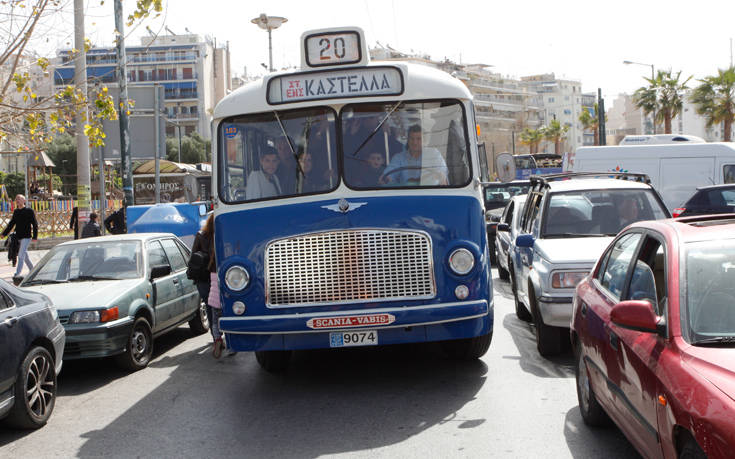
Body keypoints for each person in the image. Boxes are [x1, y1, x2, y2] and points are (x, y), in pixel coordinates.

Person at [381, 125, 448, 186]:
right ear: (408, 140)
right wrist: (386, 178)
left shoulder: (433, 154)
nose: (414, 142)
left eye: (418, 139)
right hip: (405, 194)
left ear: (424, 140)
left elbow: (441, 170)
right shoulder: (399, 158)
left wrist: (440, 175)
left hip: (430, 193)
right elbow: (389, 173)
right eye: (412, 139)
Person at [2, 194, 38, 282]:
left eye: (19, 199)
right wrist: (4, 233)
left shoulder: (29, 211)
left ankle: (17, 274)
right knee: (25, 256)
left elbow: (35, 224)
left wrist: (35, 236)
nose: (17, 201)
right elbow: (11, 223)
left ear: (24, 201)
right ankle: (34, 271)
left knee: (21, 255)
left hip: (27, 237)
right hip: (18, 237)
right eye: (16, 199)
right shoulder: (16, 212)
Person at [191, 213, 214, 340]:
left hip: (202, 277)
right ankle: (219, 335)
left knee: (210, 306)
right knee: (217, 306)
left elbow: (193, 257)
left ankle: (215, 336)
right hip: (213, 275)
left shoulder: (200, 235)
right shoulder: (219, 235)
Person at [207, 237, 224, 359]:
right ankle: (230, 345)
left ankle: (217, 339)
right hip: (224, 302)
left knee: (214, 322)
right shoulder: (225, 269)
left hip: (213, 300)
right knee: (226, 322)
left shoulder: (212, 269)